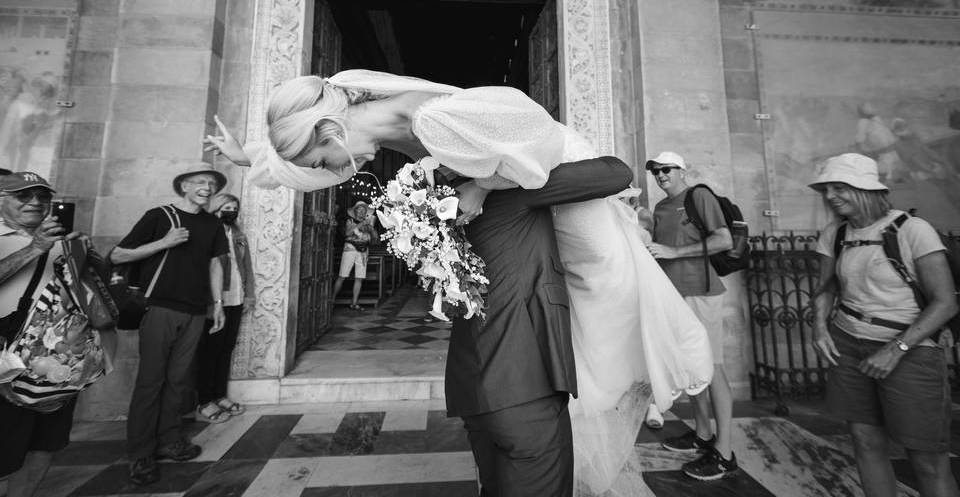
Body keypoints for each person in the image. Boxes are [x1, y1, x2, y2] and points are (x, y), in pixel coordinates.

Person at [206, 69, 713, 492]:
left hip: (562, 187)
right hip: (528, 201)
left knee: (606, 289)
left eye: (323, 160)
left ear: (327, 129)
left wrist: (482, 187)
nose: (339, 171)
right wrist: (250, 156)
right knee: (572, 328)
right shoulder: (377, 123)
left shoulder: (435, 117)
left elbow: (543, 142)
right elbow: (306, 164)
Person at [446, 155, 633, 496]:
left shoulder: (444, 196)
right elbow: (616, 173)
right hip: (524, 383)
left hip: (473, 385)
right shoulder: (516, 189)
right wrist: (490, 181)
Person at [810, 153, 959, 497]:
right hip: (847, 345)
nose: (830, 195)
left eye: (839, 187)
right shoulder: (835, 233)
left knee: (926, 457)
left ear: (865, 189)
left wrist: (897, 349)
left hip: (911, 352)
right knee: (865, 442)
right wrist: (819, 327)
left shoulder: (912, 230)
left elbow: (945, 301)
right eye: (826, 189)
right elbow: (826, 286)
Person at [111, 163, 229, 486]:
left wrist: (217, 305)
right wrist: (164, 242)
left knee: (179, 380)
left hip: (195, 310)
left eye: (211, 183)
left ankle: (169, 439)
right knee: (151, 380)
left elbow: (215, 265)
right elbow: (118, 255)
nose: (207, 187)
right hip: (159, 308)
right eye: (200, 182)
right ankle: (141, 453)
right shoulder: (159, 216)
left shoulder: (212, 225)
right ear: (184, 187)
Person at [0, 171, 100, 497]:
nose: (35, 203)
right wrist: (35, 247)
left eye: (43, 197)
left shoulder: (61, 242)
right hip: (7, 356)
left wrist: (86, 257)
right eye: (23, 196)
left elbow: (84, 293)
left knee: (45, 441)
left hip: (57, 360)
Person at [645, 152, 739, 480]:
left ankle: (725, 452)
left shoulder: (698, 196)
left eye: (666, 169)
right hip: (672, 297)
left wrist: (675, 251)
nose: (660, 175)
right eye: (655, 171)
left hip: (701, 292)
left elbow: (723, 238)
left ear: (681, 170)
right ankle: (702, 434)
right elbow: (658, 249)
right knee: (691, 367)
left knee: (711, 368)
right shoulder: (660, 208)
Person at [194, 193, 255, 423]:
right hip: (214, 301)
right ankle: (205, 400)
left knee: (226, 348)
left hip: (236, 298)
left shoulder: (238, 234)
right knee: (210, 350)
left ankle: (220, 395)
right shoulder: (208, 235)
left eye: (234, 207)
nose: (231, 211)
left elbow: (246, 266)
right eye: (226, 207)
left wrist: (249, 295)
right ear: (216, 209)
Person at [332, 201, 379, 311]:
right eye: (359, 210)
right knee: (342, 276)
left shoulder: (369, 224)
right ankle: (332, 300)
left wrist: (372, 229)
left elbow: (376, 239)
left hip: (363, 252)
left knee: (359, 278)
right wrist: (360, 224)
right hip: (350, 249)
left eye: (364, 211)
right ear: (355, 212)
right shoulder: (350, 221)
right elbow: (348, 233)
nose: (362, 212)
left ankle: (354, 302)